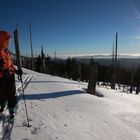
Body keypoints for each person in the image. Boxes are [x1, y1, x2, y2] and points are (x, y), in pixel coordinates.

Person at [0, 31, 23, 119]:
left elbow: (10, 64)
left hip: (10, 77)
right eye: (7, 41)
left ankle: (12, 110)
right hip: (2, 79)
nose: (9, 43)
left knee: (11, 94)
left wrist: (16, 71)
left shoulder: (6, 51)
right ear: (2, 41)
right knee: (2, 94)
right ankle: (2, 107)